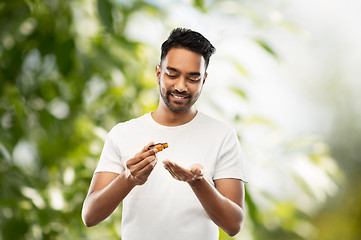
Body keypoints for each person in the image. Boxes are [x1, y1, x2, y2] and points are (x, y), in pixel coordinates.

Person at [82, 28, 247, 240]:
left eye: (192, 78)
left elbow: (234, 225)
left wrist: (197, 182)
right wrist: (129, 178)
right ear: (158, 73)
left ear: (204, 80)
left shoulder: (222, 135)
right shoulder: (122, 133)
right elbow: (90, 215)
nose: (180, 86)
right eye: (172, 74)